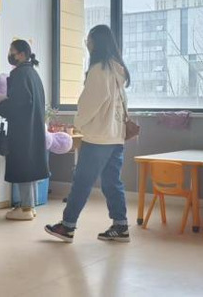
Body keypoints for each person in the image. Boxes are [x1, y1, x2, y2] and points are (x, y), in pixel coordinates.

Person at [45, 25, 131, 244]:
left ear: (96, 43)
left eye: (89, 40)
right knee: (112, 182)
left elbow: (91, 102)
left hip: (98, 137)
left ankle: (67, 226)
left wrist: (78, 123)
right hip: (115, 136)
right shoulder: (117, 69)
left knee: (82, 182)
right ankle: (121, 226)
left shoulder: (99, 70)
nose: (87, 44)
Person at [0, 40, 48, 221]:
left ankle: (25, 208)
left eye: (13, 51)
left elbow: (18, 104)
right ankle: (30, 205)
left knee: (23, 167)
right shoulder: (33, 73)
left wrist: (1, 104)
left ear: (23, 54)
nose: (10, 54)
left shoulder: (19, 74)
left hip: (22, 130)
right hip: (33, 128)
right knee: (30, 167)